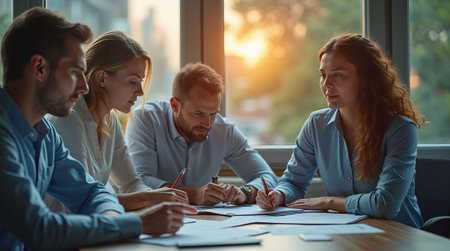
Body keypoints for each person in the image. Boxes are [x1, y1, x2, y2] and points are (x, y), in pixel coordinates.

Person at [0, 7, 197, 250]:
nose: (84, 87)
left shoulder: (46, 135)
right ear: (39, 68)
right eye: (75, 73)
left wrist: (113, 222)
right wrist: (135, 222)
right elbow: (40, 229)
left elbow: (90, 193)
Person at [256, 33, 426, 228]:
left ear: (365, 78)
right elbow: (293, 182)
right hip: (346, 234)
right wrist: (278, 194)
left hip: (401, 236)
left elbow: (385, 205)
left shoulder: (400, 130)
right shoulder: (316, 124)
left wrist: (329, 202)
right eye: (323, 75)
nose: (326, 84)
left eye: (338, 75)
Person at [44, 30, 189, 213]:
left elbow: (131, 182)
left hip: (92, 230)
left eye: (141, 82)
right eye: (133, 82)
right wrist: (147, 197)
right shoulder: (68, 120)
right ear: (102, 78)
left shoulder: (110, 120)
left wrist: (158, 201)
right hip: (62, 235)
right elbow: (82, 200)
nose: (140, 92)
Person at [125, 62, 278, 206]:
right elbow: (138, 181)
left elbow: (268, 177)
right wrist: (194, 195)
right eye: (198, 113)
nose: (208, 123)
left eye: (213, 114)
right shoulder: (146, 119)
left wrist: (245, 192)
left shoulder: (223, 130)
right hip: (157, 219)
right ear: (175, 105)